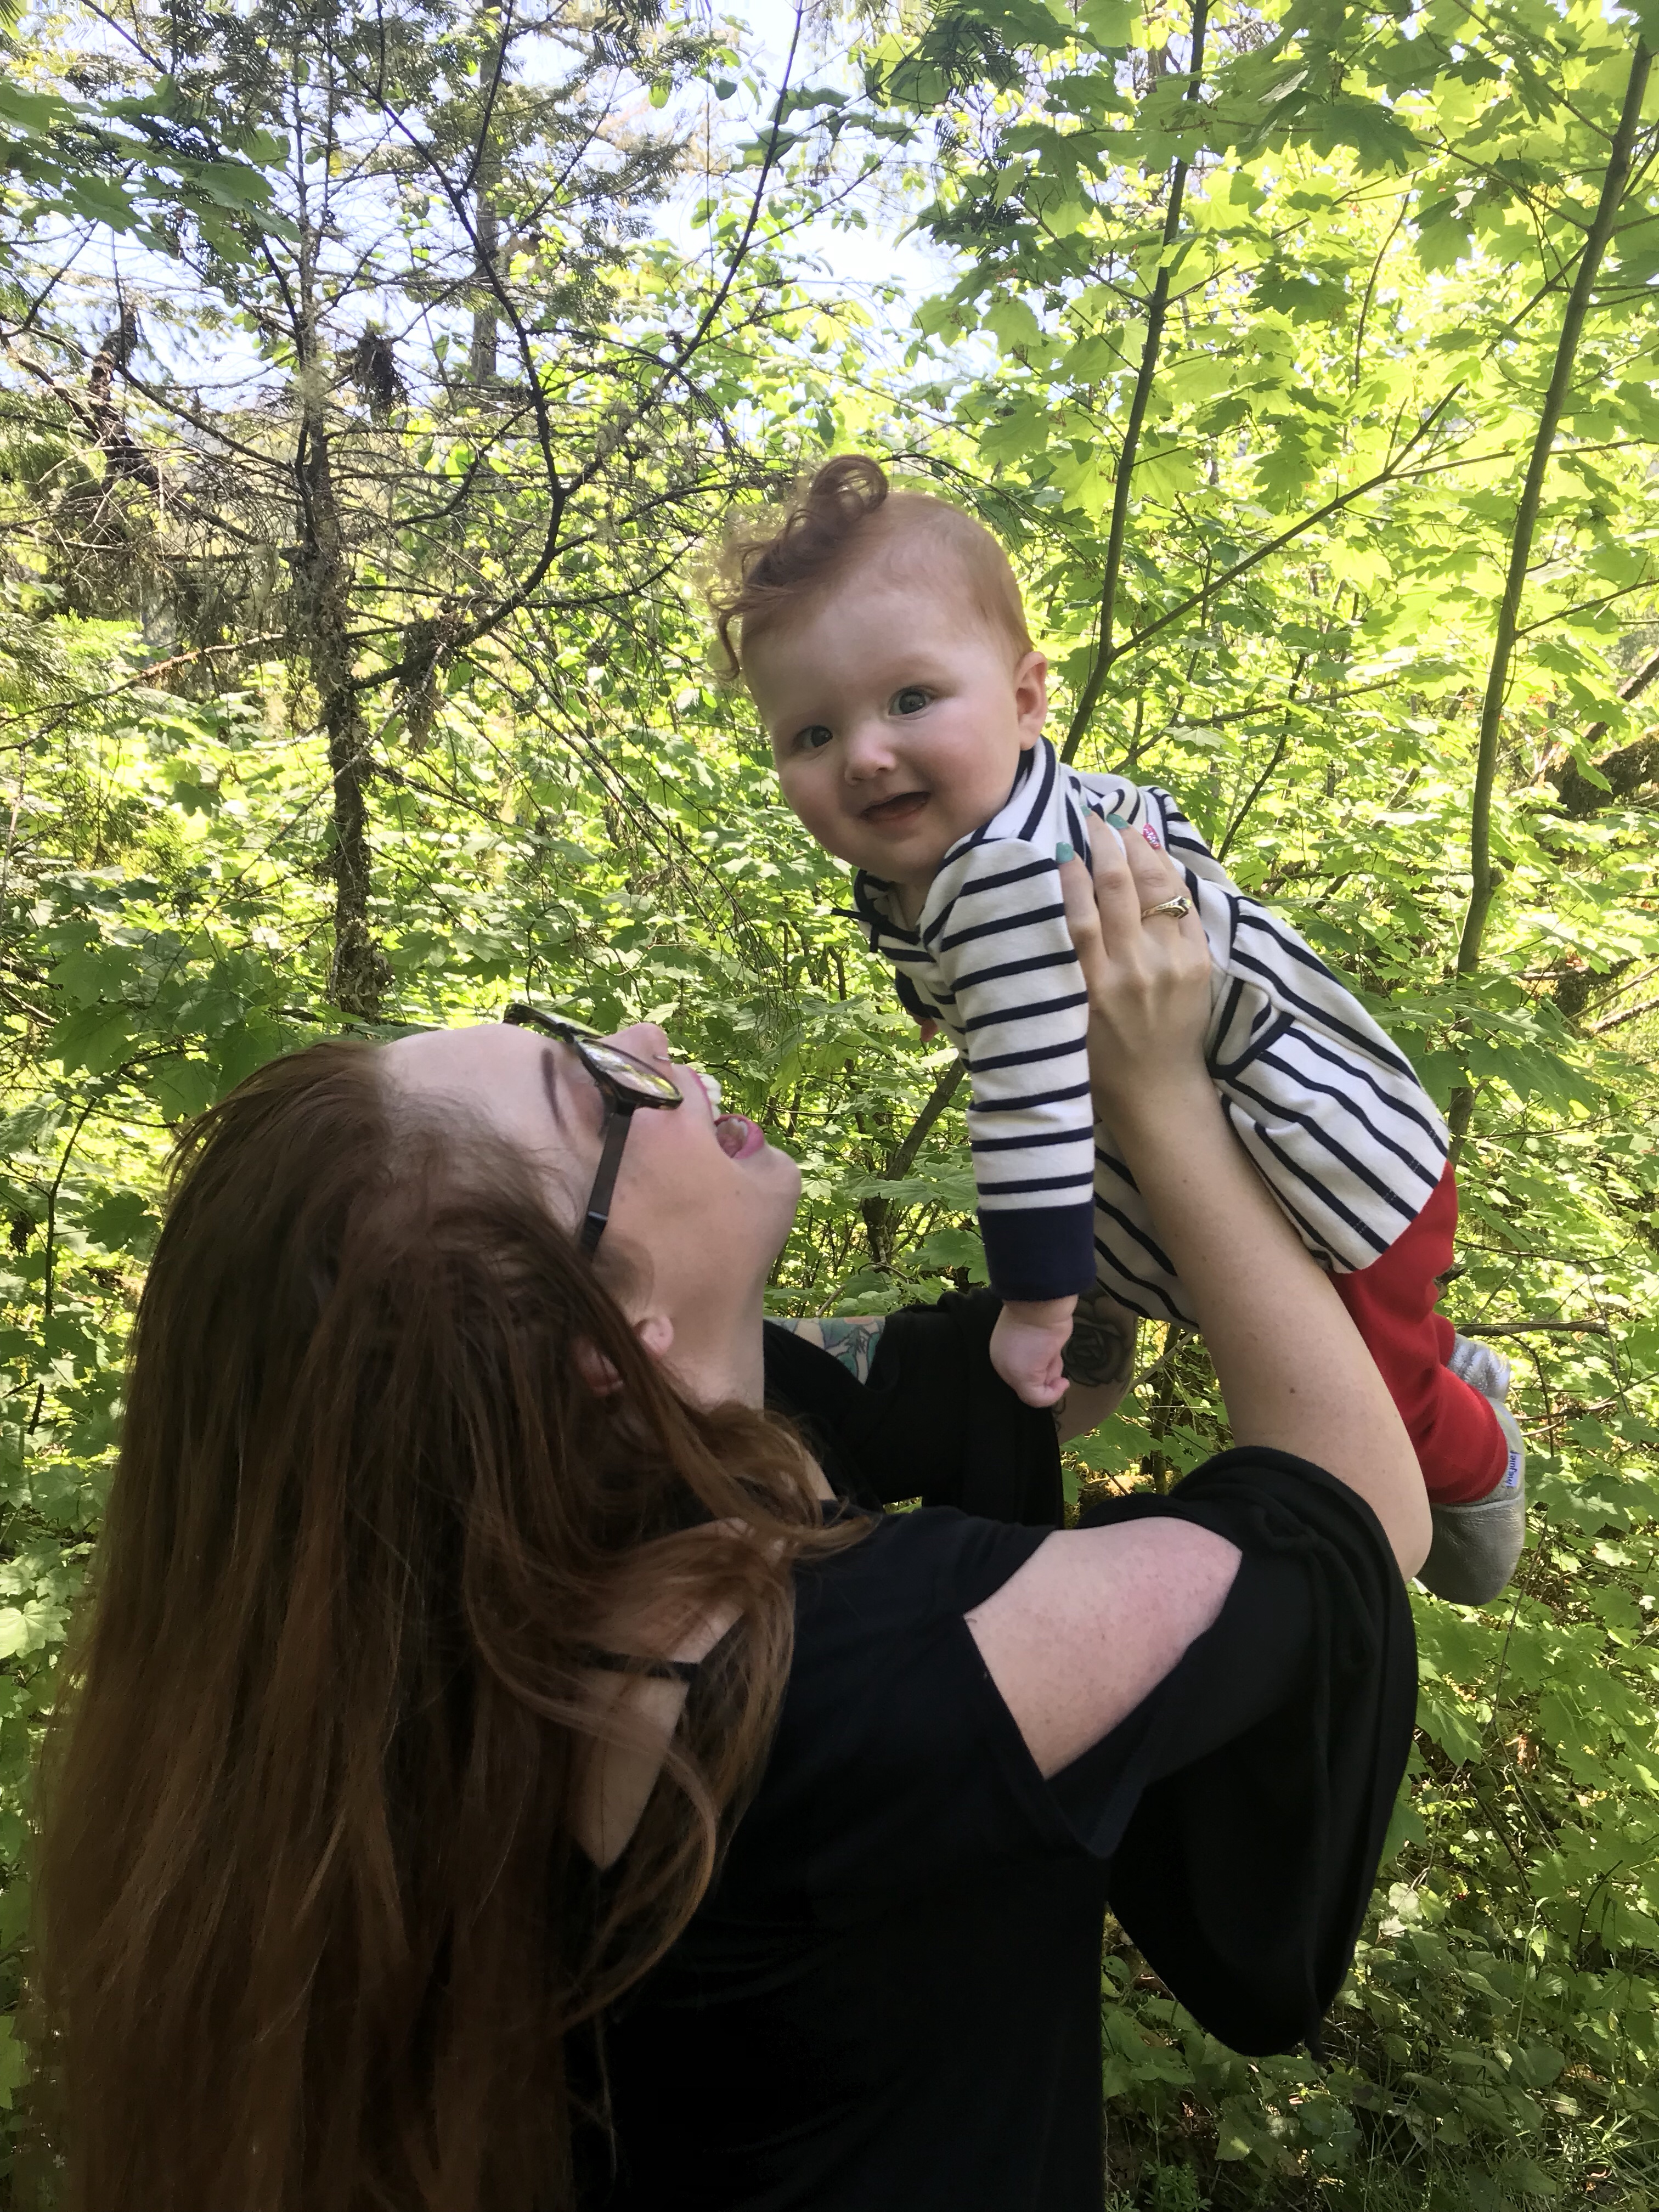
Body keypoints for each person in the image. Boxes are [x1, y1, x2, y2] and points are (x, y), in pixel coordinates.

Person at [30, 828, 1427, 2212]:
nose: (646, 1040)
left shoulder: (511, 1570)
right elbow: (1356, 1525)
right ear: (600, 1334)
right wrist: (1163, 1095)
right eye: (594, 1090)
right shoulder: (867, 1685)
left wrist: (1060, 1118)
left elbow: (1045, 1374)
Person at [713, 451, 1525, 1606]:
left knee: (1384, 1406)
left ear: (1026, 699)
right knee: (1383, 1349)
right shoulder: (1023, 817)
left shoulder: (996, 876)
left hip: (1328, 1185)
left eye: (910, 700)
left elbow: (1035, 1105)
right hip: (1326, 1144)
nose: (866, 754)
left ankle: (1483, 1459)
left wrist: (1039, 1303)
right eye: (810, 735)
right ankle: (1440, 1360)